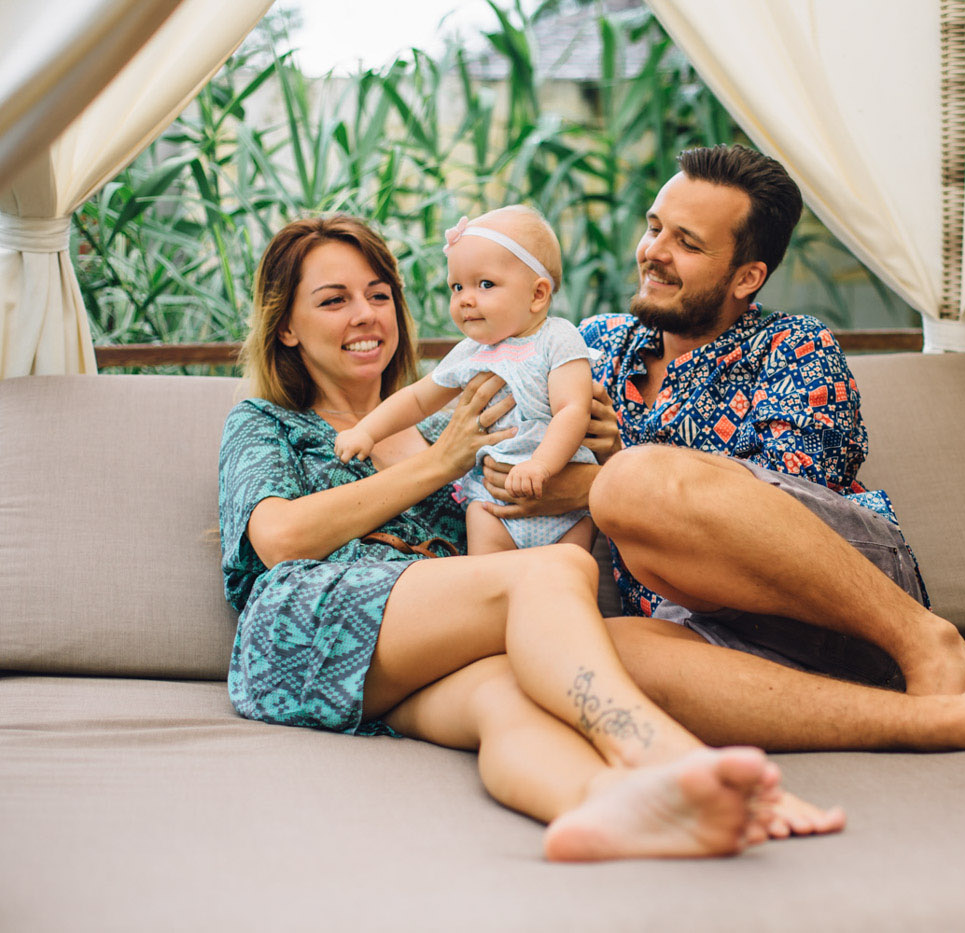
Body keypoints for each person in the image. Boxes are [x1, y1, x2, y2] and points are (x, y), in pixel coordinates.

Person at [218, 214, 846, 862]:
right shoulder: (268, 422)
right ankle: (663, 752)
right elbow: (280, 538)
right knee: (552, 571)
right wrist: (439, 465)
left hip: (403, 660)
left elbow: (545, 489)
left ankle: (611, 802)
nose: (366, 315)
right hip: (298, 631)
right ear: (286, 326)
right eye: (334, 299)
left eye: (380, 295)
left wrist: (599, 452)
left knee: (510, 697)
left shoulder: (467, 417)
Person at [472, 144, 965, 752]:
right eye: (654, 228)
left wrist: (604, 475)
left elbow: (775, 513)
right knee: (597, 658)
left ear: (748, 277)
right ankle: (928, 719)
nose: (653, 254)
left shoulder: (794, 347)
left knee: (627, 484)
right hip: (705, 631)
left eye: (687, 243)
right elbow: (489, 434)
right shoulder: (593, 347)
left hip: (843, 603)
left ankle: (928, 644)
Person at [335, 206, 594, 555]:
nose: (465, 299)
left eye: (485, 284)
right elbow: (416, 399)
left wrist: (540, 465)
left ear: (538, 294)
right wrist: (367, 431)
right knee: (485, 568)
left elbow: (572, 409)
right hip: (492, 501)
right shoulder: (470, 352)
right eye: (456, 286)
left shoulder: (557, 339)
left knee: (570, 576)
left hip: (562, 501)